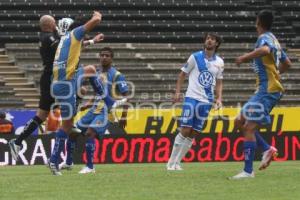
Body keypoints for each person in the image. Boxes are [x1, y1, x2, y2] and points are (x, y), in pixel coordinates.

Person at [8, 15, 105, 161]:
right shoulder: (49, 38)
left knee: (78, 93)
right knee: (43, 114)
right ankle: (18, 141)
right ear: (49, 24)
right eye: (54, 22)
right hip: (53, 77)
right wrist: (89, 41)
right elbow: (68, 46)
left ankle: (18, 141)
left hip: (53, 76)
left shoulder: (46, 37)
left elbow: (70, 46)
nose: (56, 25)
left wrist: (91, 41)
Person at [48, 11, 124, 175]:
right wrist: (96, 15)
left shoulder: (65, 40)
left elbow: (80, 45)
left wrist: (93, 41)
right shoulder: (75, 33)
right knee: (67, 125)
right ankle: (53, 161)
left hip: (63, 80)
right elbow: (96, 20)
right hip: (65, 85)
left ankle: (109, 102)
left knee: (89, 70)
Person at [230, 10, 292, 179]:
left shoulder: (264, 39)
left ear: (258, 22)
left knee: (247, 126)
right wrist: (276, 74)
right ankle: (267, 149)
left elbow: (264, 50)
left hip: (267, 90)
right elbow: (287, 63)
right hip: (266, 89)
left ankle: (248, 171)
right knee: (239, 121)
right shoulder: (275, 40)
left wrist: (244, 57)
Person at [59, 47, 129, 174]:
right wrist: (88, 104)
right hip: (94, 110)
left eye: (107, 55)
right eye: (102, 55)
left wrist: (124, 115)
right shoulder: (96, 73)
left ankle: (90, 167)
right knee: (73, 132)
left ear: (111, 58)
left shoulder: (117, 75)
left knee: (90, 133)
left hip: (106, 112)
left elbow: (126, 95)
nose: (104, 57)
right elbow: (98, 92)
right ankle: (68, 162)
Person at [167, 33, 224, 170]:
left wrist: (219, 98)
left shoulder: (220, 62)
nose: (209, 41)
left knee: (194, 133)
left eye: (212, 39)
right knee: (185, 129)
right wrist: (178, 92)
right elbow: (182, 75)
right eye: (207, 38)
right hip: (191, 97)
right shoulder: (195, 57)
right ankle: (170, 162)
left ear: (216, 43)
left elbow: (219, 82)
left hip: (206, 101)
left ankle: (177, 163)